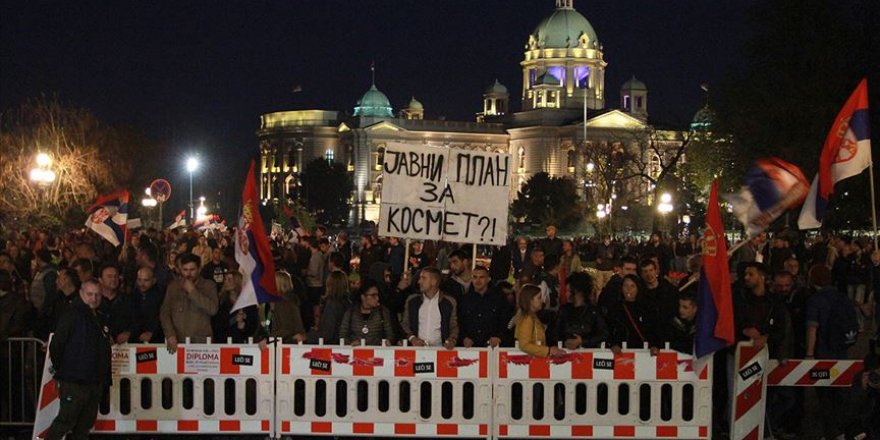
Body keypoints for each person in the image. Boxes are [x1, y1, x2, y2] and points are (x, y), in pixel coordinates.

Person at [44, 280, 112, 440]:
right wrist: (64, 368)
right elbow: (57, 344)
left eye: (97, 295)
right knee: (65, 421)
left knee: (84, 425)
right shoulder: (72, 314)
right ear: (81, 293)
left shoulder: (99, 316)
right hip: (75, 380)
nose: (94, 298)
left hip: (93, 380)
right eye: (90, 294)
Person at [160, 252, 219, 353]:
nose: (188, 274)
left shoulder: (209, 286)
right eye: (185, 270)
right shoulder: (173, 287)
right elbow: (164, 312)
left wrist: (193, 291)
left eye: (192, 270)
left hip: (201, 344)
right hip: (178, 342)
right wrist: (170, 334)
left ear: (199, 269)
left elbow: (213, 309)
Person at [401, 267, 459, 349]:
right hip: (416, 349)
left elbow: (454, 326)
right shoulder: (412, 301)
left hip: (441, 349)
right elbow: (405, 324)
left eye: (423, 278)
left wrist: (452, 340)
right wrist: (412, 338)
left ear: (434, 282)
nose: (419, 281)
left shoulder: (449, 302)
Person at [607, 274, 660, 353]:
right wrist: (613, 344)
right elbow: (609, 328)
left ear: (638, 288)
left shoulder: (647, 308)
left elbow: (653, 329)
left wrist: (654, 345)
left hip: (643, 351)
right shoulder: (615, 308)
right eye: (626, 285)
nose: (629, 289)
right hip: (622, 350)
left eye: (632, 286)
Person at [554, 271, 608, 349]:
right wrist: (565, 342)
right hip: (566, 352)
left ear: (578, 292)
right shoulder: (564, 310)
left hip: (588, 353)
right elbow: (556, 332)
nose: (566, 294)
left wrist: (582, 341)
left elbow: (603, 334)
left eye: (568, 290)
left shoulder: (594, 312)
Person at [458, 266, 508, 348]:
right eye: (475, 277)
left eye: (481, 277)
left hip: (493, 347)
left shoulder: (499, 298)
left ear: (488, 279)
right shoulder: (464, 300)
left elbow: (505, 320)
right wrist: (463, 338)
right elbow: (459, 322)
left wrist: (499, 337)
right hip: (470, 348)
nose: (478, 281)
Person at [338, 281, 396, 346]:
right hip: (355, 350)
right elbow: (342, 334)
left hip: (377, 350)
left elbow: (390, 335)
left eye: (377, 295)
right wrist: (350, 343)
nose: (377, 298)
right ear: (363, 297)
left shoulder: (382, 312)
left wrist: (386, 341)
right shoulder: (350, 313)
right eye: (373, 295)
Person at [514, 284, 565, 358]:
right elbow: (524, 345)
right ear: (530, 300)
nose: (542, 301)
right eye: (539, 298)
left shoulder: (532, 317)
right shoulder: (527, 319)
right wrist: (548, 350)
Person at [310, 270, 351, 344]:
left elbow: (327, 333)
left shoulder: (332, 305)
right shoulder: (348, 303)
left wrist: (308, 336)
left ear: (329, 285)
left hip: (331, 345)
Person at [133, 267, 165, 343]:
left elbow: (163, 317)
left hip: (157, 339)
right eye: (139, 280)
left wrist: (152, 332)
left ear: (154, 281)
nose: (142, 284)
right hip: (136, 338)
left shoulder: (161, 297)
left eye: (146, 280)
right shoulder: (132, 296)